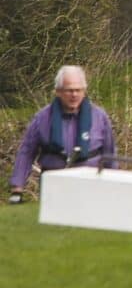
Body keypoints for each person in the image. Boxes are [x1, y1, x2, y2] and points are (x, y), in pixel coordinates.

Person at [10, 65, 115, 203]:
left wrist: (113, 184)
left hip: (90, 183)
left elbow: (110, 154)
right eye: (69, 90)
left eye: (78, 90)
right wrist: (17, 189)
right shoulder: (42, 118)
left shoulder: (100, 117)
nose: (74, 95)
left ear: (84, 91)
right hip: (53, 184)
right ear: (58, 91)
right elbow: (27, 152)